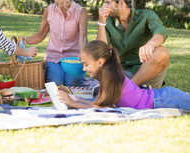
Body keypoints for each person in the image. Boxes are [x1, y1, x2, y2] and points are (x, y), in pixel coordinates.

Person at [58, 40, 190, 112]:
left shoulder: (110, 76)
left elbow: (102, 107)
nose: (83, 69)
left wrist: (72, 103)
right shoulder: (106, 73)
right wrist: (73, 98)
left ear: (100, 62)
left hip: (164, 99)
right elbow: (98, 102)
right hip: (161, 97)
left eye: (86, 64)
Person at [96, 0, 170, 89]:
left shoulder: (147, 16)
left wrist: (151, 43)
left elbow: (160, 32)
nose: (104, 6)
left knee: (162, 53)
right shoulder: (108, 22)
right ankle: (127, 90)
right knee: (97, 61)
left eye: (108, 2)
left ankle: (127, 90)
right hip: (122, 75)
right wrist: (101, 22)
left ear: (121, 3)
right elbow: (100, 51)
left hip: (148, 74)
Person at [23, 0, 88, 86]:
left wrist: (83, 57)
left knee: (73, 83)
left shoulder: (81, 12)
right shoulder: (49, 10)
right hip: (53, 58)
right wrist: (23, 40)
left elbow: (83, 39)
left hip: (74, 58)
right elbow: (41, 35)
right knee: (56, 83)